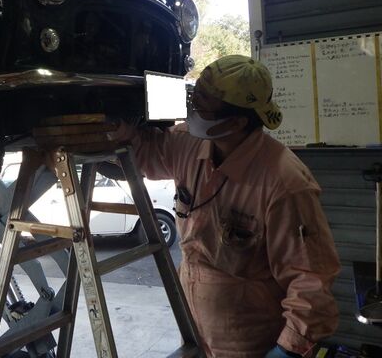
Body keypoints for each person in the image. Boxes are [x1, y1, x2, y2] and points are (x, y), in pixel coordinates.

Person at [111, 55, 340, 358]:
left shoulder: (285, 183)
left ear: (237, 122)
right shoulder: (188, 143)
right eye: (193, 100)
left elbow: (311, 279)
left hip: (250, 340)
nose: (192, 112)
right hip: (195, 327)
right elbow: (147, 153)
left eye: (202, 107)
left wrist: (291, 348)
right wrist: (116, 130)